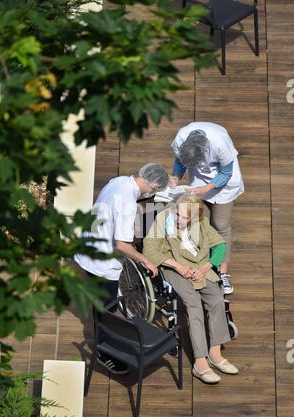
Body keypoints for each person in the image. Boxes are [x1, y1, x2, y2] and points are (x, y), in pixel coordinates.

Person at [75, 163, 169, 374]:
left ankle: (105, 338)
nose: (153, 193)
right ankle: (102, 349)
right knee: (105, 309)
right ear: (152, 185)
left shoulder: (119, 182)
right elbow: (122, 245)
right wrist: (145, 260)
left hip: (88, 243)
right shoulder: (127, 203)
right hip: (101, 264)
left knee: (101, 302)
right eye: (155, 189)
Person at [143, 194, 239, 384]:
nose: (179, 219)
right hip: (173, 266)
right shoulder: (163, 220)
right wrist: (179, 267)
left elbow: (219, 245)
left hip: (199, 266)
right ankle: (200, 362)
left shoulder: (201, 221)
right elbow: (150, 250)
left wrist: (205, 268)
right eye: (178, 214)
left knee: (217, 299)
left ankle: (215, 353)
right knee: (193, 304)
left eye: (185, 217)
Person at [170, 122, 244, 294]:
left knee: (220, 225)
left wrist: (206, 189)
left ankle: (223, 272)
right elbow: (179, 161)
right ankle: (204, 263)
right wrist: (176, 176)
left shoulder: (220, 143)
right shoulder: (181, 138)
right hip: (198, 182)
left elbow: (226, 173)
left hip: (225, 185)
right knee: (201, 222)